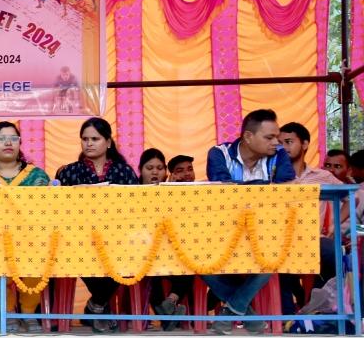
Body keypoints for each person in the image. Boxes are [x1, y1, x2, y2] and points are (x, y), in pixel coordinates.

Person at [204, 109, 294, 334]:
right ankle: (248, 315)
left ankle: (233, 311)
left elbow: (286, 187)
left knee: (273, 253)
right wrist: (263, 187)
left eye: (277, 137)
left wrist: (246, 189)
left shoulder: (279, 155)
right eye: (269, 137)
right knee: (194, 257)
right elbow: (223, 189)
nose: (277, 142)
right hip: (223, 231)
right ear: (248, 137)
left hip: (266, 231)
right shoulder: (219, 154)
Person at [55, 117, 138, 333]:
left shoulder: (124, 172)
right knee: (78, 250)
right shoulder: (68, 172)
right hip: (79, 238)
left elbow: (136, 207)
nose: (89, 143)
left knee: (130, 255)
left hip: (118, 238)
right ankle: (99, 306)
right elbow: (58, 209)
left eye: (95, 139)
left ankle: (96, 305)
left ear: (108, 142)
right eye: (85, 139)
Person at [0, 122, 48, 332]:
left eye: (13, 138)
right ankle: (8, 311)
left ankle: (28, 313)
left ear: (20, 143)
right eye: (2, 138)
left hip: (30, 239)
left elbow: (44, 211)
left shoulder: (36, 175)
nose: (8, 143)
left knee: (38, 256)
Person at [278, 123, 341, 316]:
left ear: (305, 144)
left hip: (313, 239)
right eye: (280, 143)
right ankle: (287, 319)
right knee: (274, 261)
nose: (284, 147)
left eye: (289, 142)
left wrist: (334, 225)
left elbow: (352, 198)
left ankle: (320, 308)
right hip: (281, 241)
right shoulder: (273, 177)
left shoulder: (322, 176)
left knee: (333, 252)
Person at [139, 149, 191, 330]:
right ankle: (167, 314)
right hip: (142, 250)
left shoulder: (170, 190)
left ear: (166, 172)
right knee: (151, 269)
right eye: (149, 168)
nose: (155, 172)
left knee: (190, 262)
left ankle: (170, 302)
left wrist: (173, 192)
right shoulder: (132, 191)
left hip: (171, 249)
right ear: (140, 170)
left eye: (160, 168)